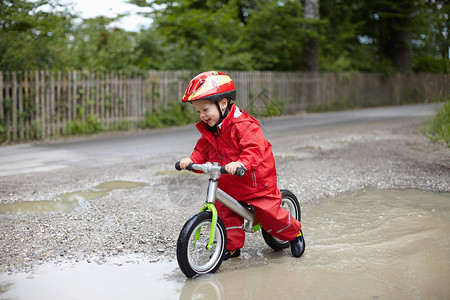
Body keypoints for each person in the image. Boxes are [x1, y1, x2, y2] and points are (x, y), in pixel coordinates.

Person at [178, 71, 304, 260]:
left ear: (222, 103)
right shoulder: (210, 131)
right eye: (198, 111)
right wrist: (190, 160)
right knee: (225, 214)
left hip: (255, 182)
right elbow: (201, 150)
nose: (202, 115)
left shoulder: (244, 125)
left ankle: (294, 234)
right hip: (228, 183)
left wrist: (241, 162)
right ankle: (231, 246)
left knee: (270, 214)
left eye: (205, 110)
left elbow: (254, 149)